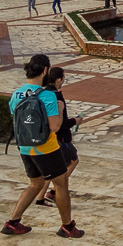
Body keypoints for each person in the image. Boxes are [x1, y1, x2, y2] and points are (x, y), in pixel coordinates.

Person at [2, 54, 84, 238]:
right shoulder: (47, 95)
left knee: (36, 183)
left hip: (25, 146)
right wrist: (61, 111)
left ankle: (13, 222)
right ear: (46, 70)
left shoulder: (17, 93)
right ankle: (67, 227)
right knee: (61, 184)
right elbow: (55, 126)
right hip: (45, 147)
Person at [35, 67, 82, 206]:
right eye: (63, 78)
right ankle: (54, 191)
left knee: (49, 169)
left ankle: (41, 196)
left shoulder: (42, 93)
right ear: (58, 79)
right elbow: (60, 122)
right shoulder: (56, 96)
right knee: (73, 160)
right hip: (60, 138)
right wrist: (75, 121)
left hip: (46, 136)